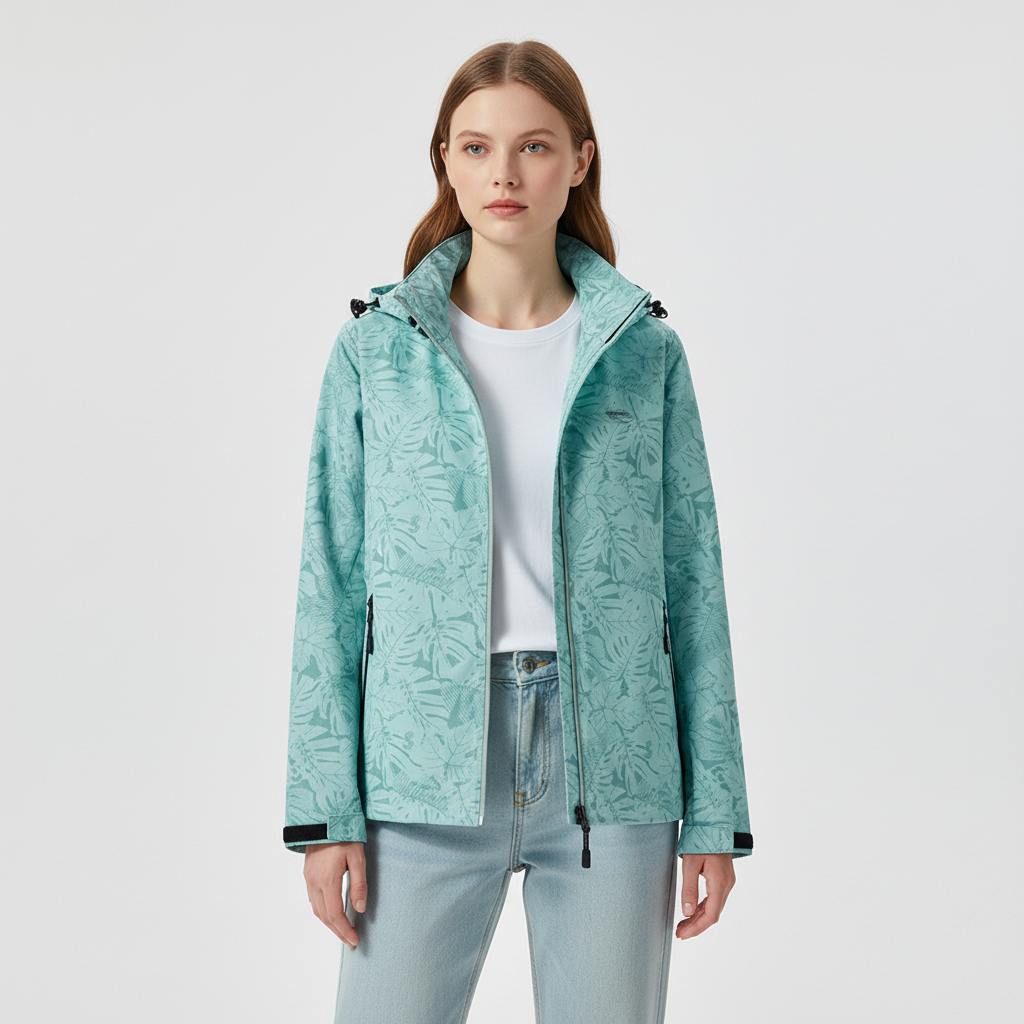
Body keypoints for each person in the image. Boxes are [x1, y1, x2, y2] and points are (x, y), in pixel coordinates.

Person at [282, 39, 753, 1024]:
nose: (503, 173)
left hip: (613, 769)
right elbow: (329, 580)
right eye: (476, 147)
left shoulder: (643, 352)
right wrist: (326, 811)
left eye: (533, 146)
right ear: (445, 163)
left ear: (579, 160)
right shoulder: (376, 350)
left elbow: (694, 581)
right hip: (420, 766)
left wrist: (714, 810)